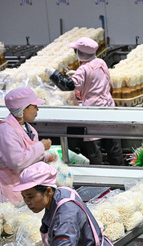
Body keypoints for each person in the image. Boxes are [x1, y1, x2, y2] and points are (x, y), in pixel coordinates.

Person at [46, 37, 123, 166]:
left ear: (83, 54)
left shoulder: (83, 69)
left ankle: (97, 173)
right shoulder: (101, 62)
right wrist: (77, 75)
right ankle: (120, 169)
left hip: (92, 109)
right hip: (108, 105)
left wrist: (54, 74)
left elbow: (67, 86)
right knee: (112, 141)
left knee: (94, 145)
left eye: (76, 51)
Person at [0, 87, 56, 203]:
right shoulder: (6, 130)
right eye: (34, 106)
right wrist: (41, 146)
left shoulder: (30, 130)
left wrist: (44, 158)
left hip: (25, 185)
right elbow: (18, 162)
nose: (37, 109)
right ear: (23, 109)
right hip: (7, 187)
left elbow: (28, 155)